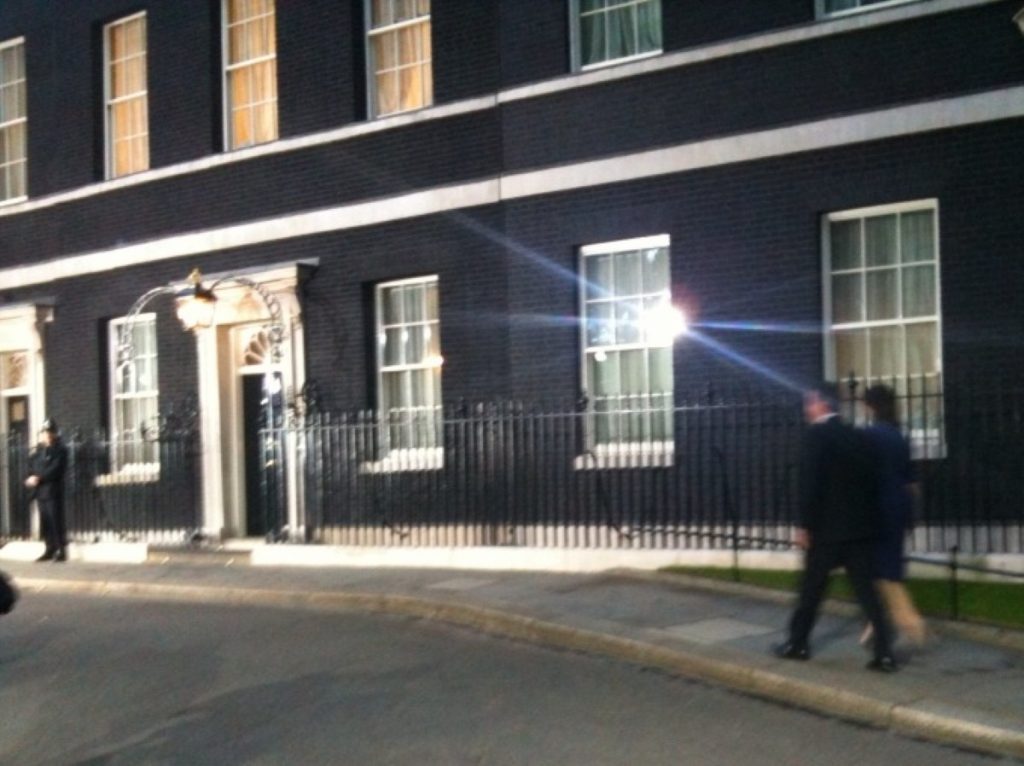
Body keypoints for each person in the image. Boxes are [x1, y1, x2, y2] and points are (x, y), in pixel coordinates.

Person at [774, 383, 898, 672]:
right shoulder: (858, 436)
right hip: (860, 529)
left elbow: (810, 484)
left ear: (821, 404)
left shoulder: (816, 436)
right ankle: (884, 653)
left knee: (811, 591)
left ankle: (797, 643)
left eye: (809, 402)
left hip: (827, 531)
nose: (806, 409)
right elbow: (873, 482)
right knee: (868, 594)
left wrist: (805, 525)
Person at [859, 384, 927, 648]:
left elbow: (863, 477)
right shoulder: (900, 436)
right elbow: (911, 482)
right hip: (898, 508)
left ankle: (911, 623)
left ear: (869, 405)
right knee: (886, 569)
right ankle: (876, 623)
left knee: (883, 573)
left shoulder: (869, 436)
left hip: (877, 509)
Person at [25, 418, 69, 562]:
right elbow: (30, 467)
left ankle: (61, 551)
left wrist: (39, 477)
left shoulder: (60, 451)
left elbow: (55, 469)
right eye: (45, 432)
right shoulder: (38, 451)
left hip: (53, 491)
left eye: (50, 432)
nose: (48, 435)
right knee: (46, 523)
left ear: (55, 434)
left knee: (56, 521)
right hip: (40, 493)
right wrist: (30, 478)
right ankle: (49, 549)